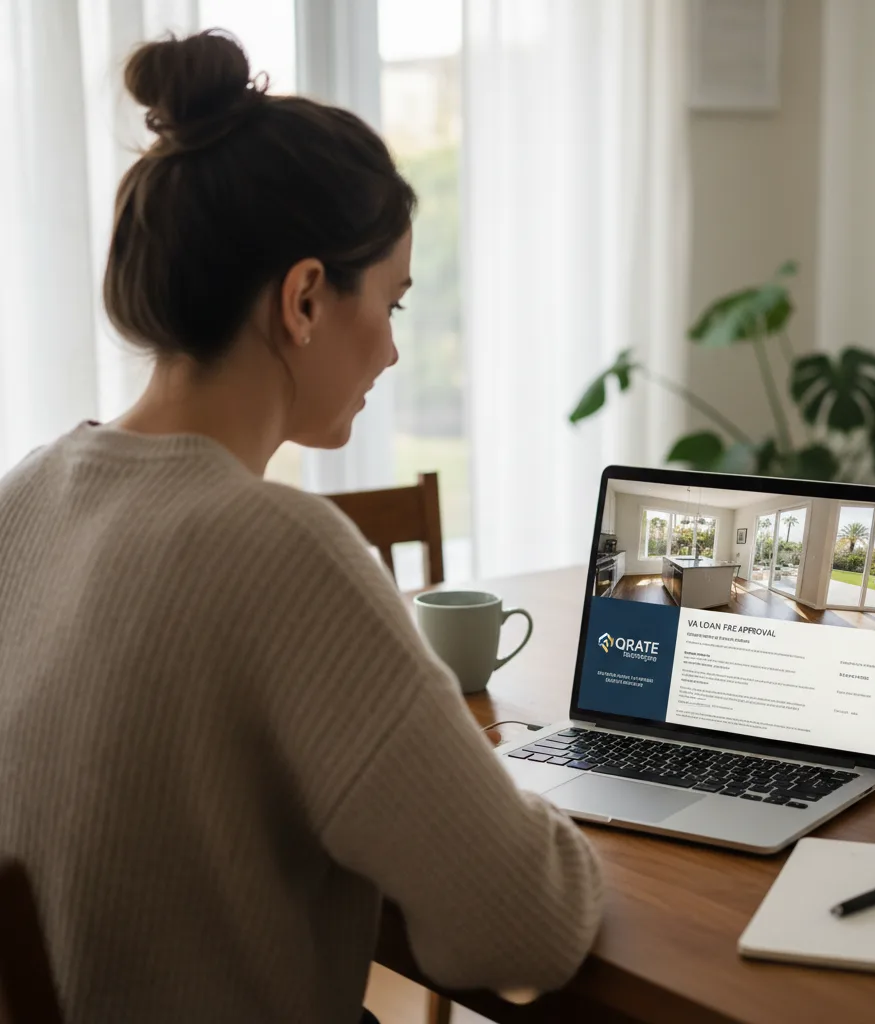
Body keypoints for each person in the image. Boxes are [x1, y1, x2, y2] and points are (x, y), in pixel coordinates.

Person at [0, 30, 603, 1024]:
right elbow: (519, 925)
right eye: (394, 302)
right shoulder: (280, 547)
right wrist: (535, 816)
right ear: (307, 298)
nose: (395, 351)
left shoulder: (22, 500)